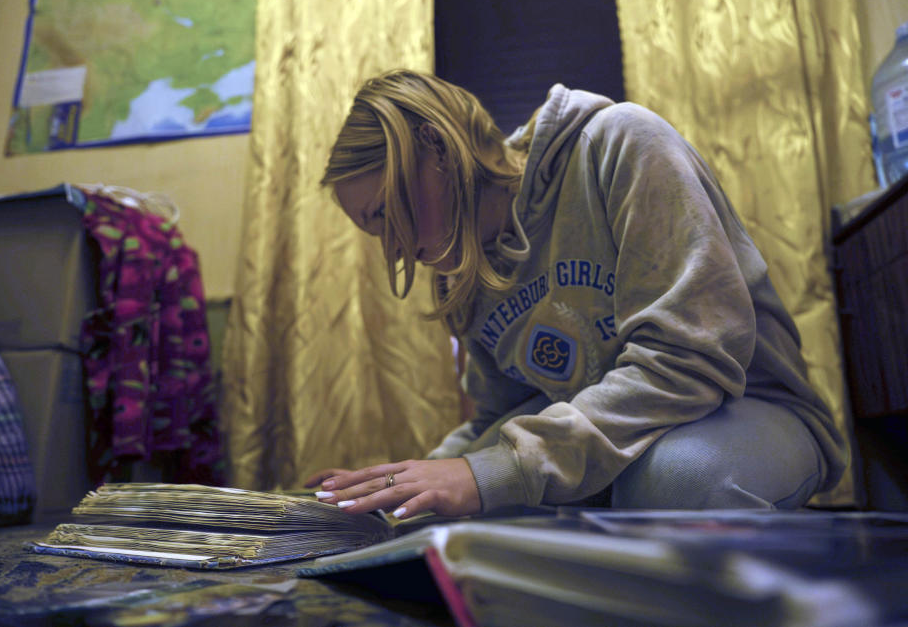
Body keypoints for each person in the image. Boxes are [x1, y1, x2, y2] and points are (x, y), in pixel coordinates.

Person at [305, 69, 846, 519]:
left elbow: (690, 363)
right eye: (377, 233)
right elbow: (498, 415)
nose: (397, 252)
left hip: (741, 404)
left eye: (386, 215)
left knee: (672, 484)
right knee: (454, 504)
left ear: (436, 147)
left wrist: (495, 471)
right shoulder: (461, 262)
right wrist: (394, 487)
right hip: (620, 430)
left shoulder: (618, 143)